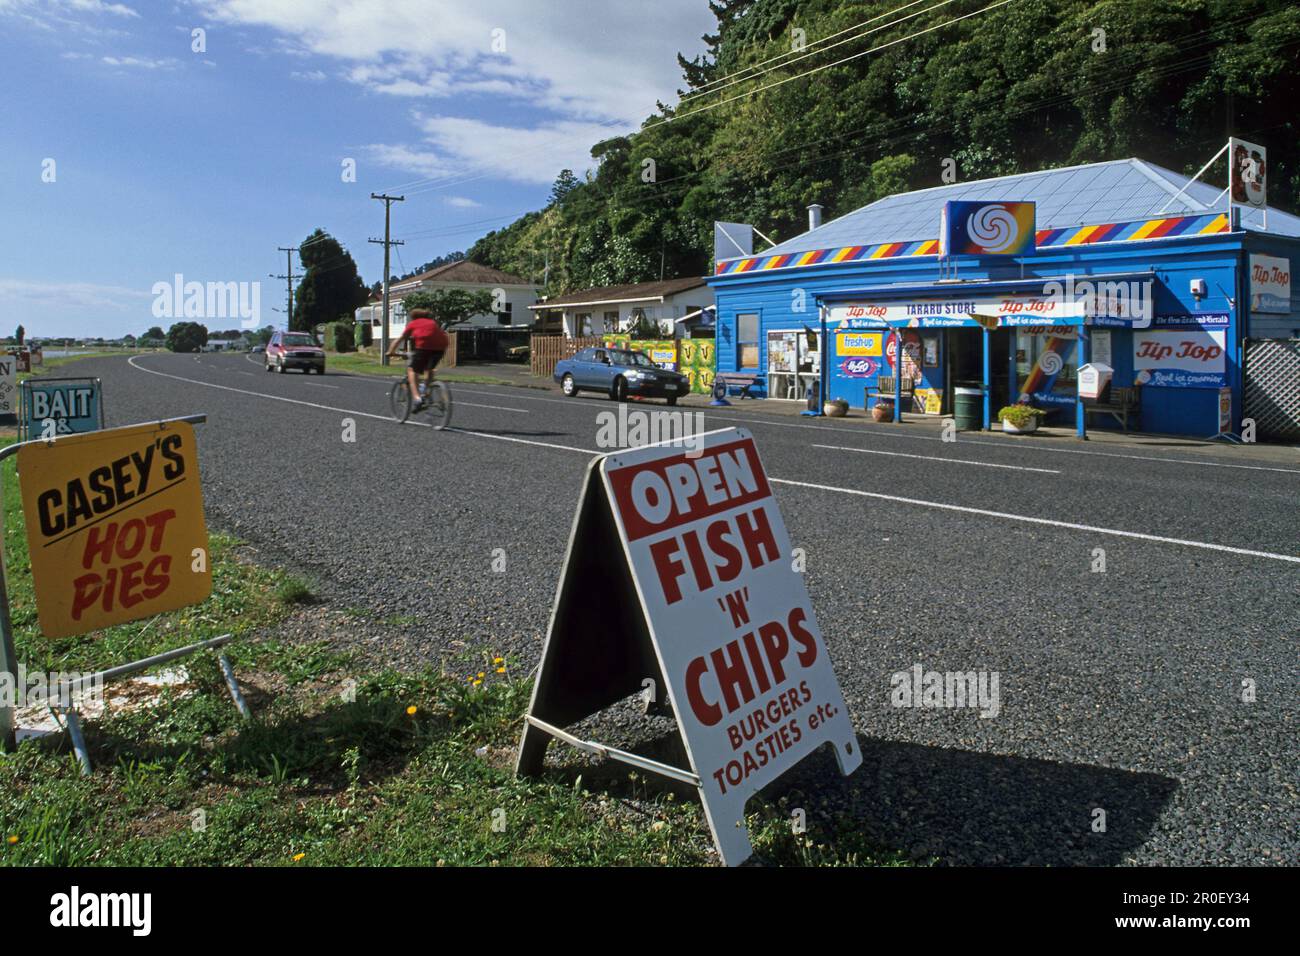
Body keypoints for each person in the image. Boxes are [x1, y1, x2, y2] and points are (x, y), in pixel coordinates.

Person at [387, 307, 449, 409]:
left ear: (413, 317)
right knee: (429, 368)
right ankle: (426, 391)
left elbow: (400, 339)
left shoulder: (414, 323)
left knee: (412, 370)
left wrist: (391, 351)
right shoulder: (432, 322)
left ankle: (417, 399)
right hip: (441, 347)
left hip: (424, 346)